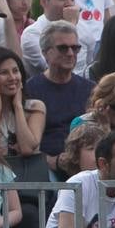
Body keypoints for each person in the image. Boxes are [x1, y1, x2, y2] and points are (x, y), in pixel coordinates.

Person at [25, 20, 96, 158]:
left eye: (75, 48)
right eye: (63, 48)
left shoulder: (91, 90)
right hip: (44, 163)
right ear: (45, 52)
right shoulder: (30, 90)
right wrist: (51, 161)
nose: (70, 53)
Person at [21, 0, 86, 78]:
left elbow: (89, 62)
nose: (69, 3)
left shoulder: (81, 26)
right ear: (44, 1)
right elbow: (56, 68)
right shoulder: (32, 34)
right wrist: (70, 26)